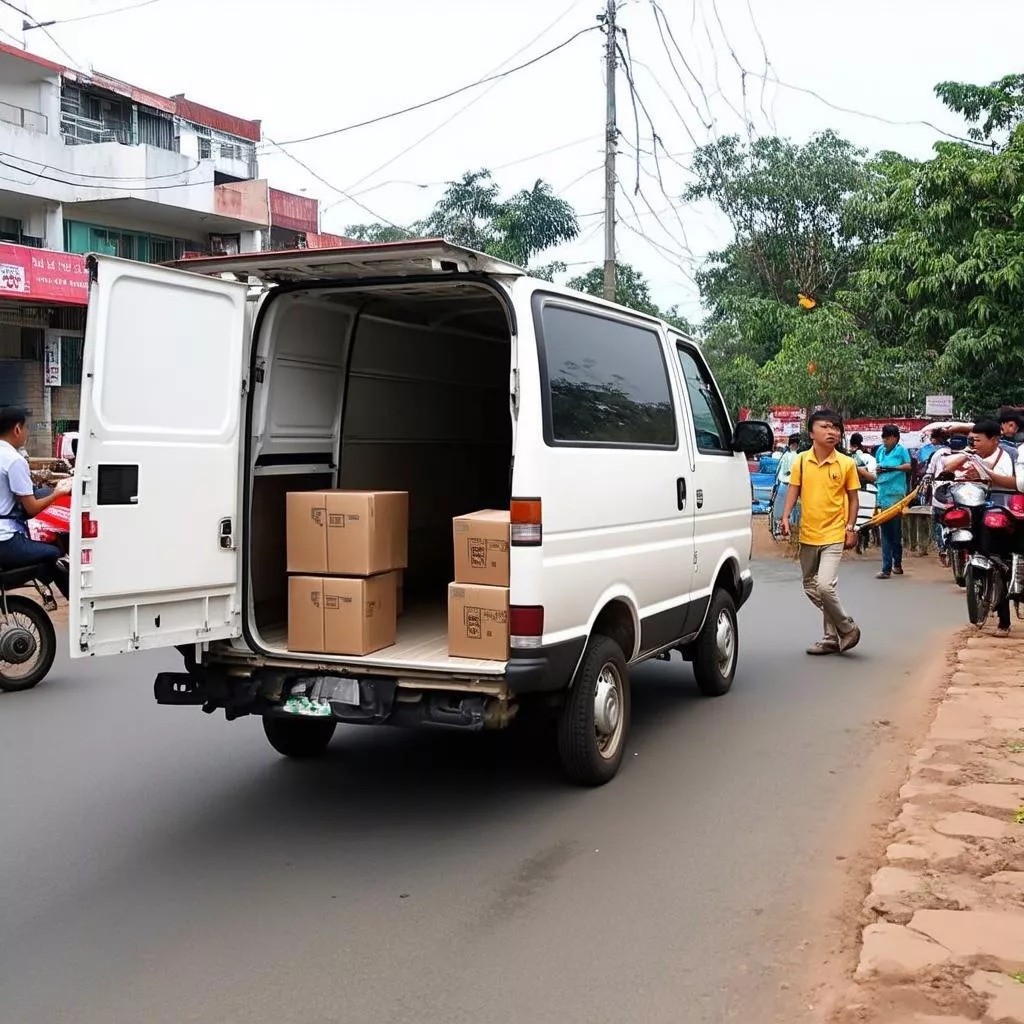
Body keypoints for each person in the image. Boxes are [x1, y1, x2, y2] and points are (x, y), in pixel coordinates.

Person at [780, 409, 861, 655]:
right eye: (825, 427)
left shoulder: (846, 463)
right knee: (809, 585)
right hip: (808, 534)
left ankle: (847, 628)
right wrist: (784, 516)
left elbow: (853, 499)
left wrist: (850, 527)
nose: (832, 432)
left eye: (835, 428)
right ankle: (831, 637)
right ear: (811, 433)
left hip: (834, 534)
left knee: (825, 586)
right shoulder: (801, 461)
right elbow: (793, 490)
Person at [0, 406, 72, 599]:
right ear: (17, 429)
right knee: (53, 552)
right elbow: (31, 509)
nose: (27, 433)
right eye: (27, 428)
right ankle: (61, 595)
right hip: (5, 541)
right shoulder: (14, 461)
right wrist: (57, 493)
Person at [874, 424, 912, 579]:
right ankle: (886, 567)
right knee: (886, 533)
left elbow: (908, 466)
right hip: (882, 494)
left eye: (888, 438)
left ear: (895, 438)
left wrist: (893, 469)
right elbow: (876, 467)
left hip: (896, 496)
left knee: (895, 533)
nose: (885, 440)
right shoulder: (880, 451)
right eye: (883, 437)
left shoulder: (901, 450)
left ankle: (897, 563)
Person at [772, 433, 802, 535]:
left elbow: (778, 472)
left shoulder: (785, 455)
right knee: (790, 510)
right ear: (796, 445)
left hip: (781, 485)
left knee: (780, 508)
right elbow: (789, 471)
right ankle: (788, 530)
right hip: (790, 485)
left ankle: (778, 529)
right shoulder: (796, 457)